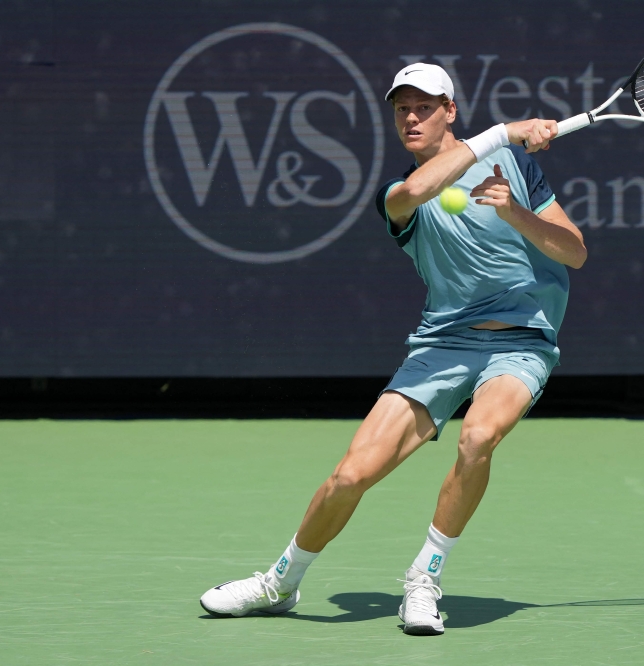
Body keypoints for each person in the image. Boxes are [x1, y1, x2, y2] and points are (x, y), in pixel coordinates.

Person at [199, 63, 587, 635]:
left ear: (449, 111)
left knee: (478, 436)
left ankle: (424, 580)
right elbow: (422, 188)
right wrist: (504, 130)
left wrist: (515, 212)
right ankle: (279, 583)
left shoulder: (519, 169)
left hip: (521, 342)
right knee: (350, 475)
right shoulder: (398, 196)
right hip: (441, 345)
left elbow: (574, 253)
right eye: (401, 108)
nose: (410, 117)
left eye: (424, 106)